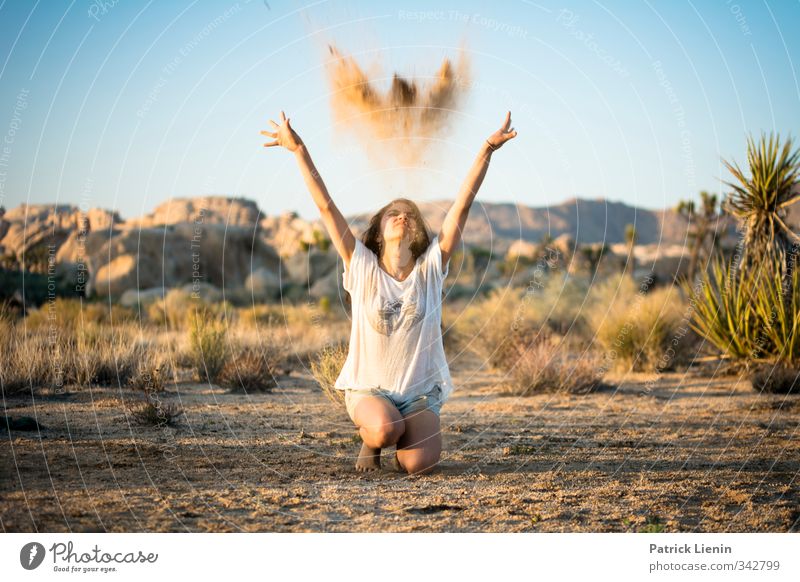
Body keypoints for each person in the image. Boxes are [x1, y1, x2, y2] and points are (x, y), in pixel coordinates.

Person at [261, 110, 517, 474]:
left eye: (409, 213)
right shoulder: (362, 266)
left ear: (417, 230)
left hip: (419, 395)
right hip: (370, 390)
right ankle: (371, 440)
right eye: (392, 213)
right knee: (385, 429)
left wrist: (486, 151)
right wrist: (299, 150)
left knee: (419, 466)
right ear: (379, 232)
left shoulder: (430, 269)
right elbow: (325, 206)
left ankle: (403, 436)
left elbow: (461, 208)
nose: (402, 216)